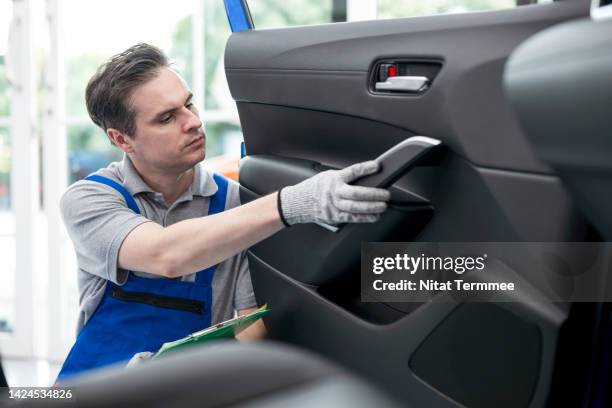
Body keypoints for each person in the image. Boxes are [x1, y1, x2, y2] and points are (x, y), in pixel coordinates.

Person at [56, 43, 390, 381]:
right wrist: (290, 203)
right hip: (89, 388)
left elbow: (251, 321)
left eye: (188, 104)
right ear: (122, 139)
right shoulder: (89, 199)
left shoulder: (233, 204)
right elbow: (166, 254)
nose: (193, 122)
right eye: (167, 118)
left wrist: (185, 374)